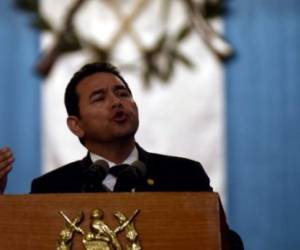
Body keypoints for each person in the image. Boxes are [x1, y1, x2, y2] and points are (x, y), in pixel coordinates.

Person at [0, 62, 243, 248]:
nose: (116, 102)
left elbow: (225, 243)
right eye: (99, 98)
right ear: (76, 125)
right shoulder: (51, 188)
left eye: (122, 93)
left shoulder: (184, 175)